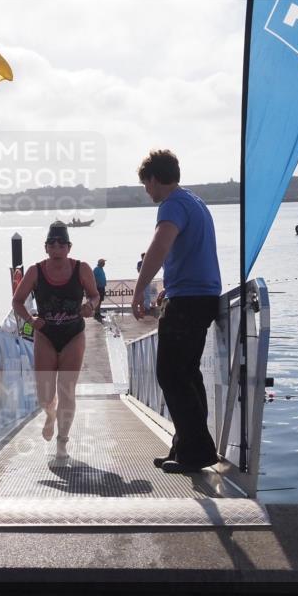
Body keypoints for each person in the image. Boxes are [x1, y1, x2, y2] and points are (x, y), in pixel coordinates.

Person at [133, 149, 222, 474]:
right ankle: (186, 446)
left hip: (189, 301)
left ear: (155, 179)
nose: (147, 191)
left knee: (170, 374)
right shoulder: (195, 202)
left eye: (146, 185)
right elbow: (192, 252)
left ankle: (197, 451)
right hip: (201, 296)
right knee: (187, 373)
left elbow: (161, 245)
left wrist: (140, 288)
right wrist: (169, 288)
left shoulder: (172, 205)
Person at [12, 221, 100, 459]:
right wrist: (31, 320)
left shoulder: (82, 268)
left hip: (74, 334)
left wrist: (91, 305)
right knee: (45, 394)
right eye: (52, 243)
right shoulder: (35, 271)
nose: (57, 247)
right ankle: (50, 415)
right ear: (46, 248)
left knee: (67, 390)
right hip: (46, 335)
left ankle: (62, 442)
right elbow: (17, 302)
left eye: (62, 243)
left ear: (69, 247)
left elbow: (94, 295)